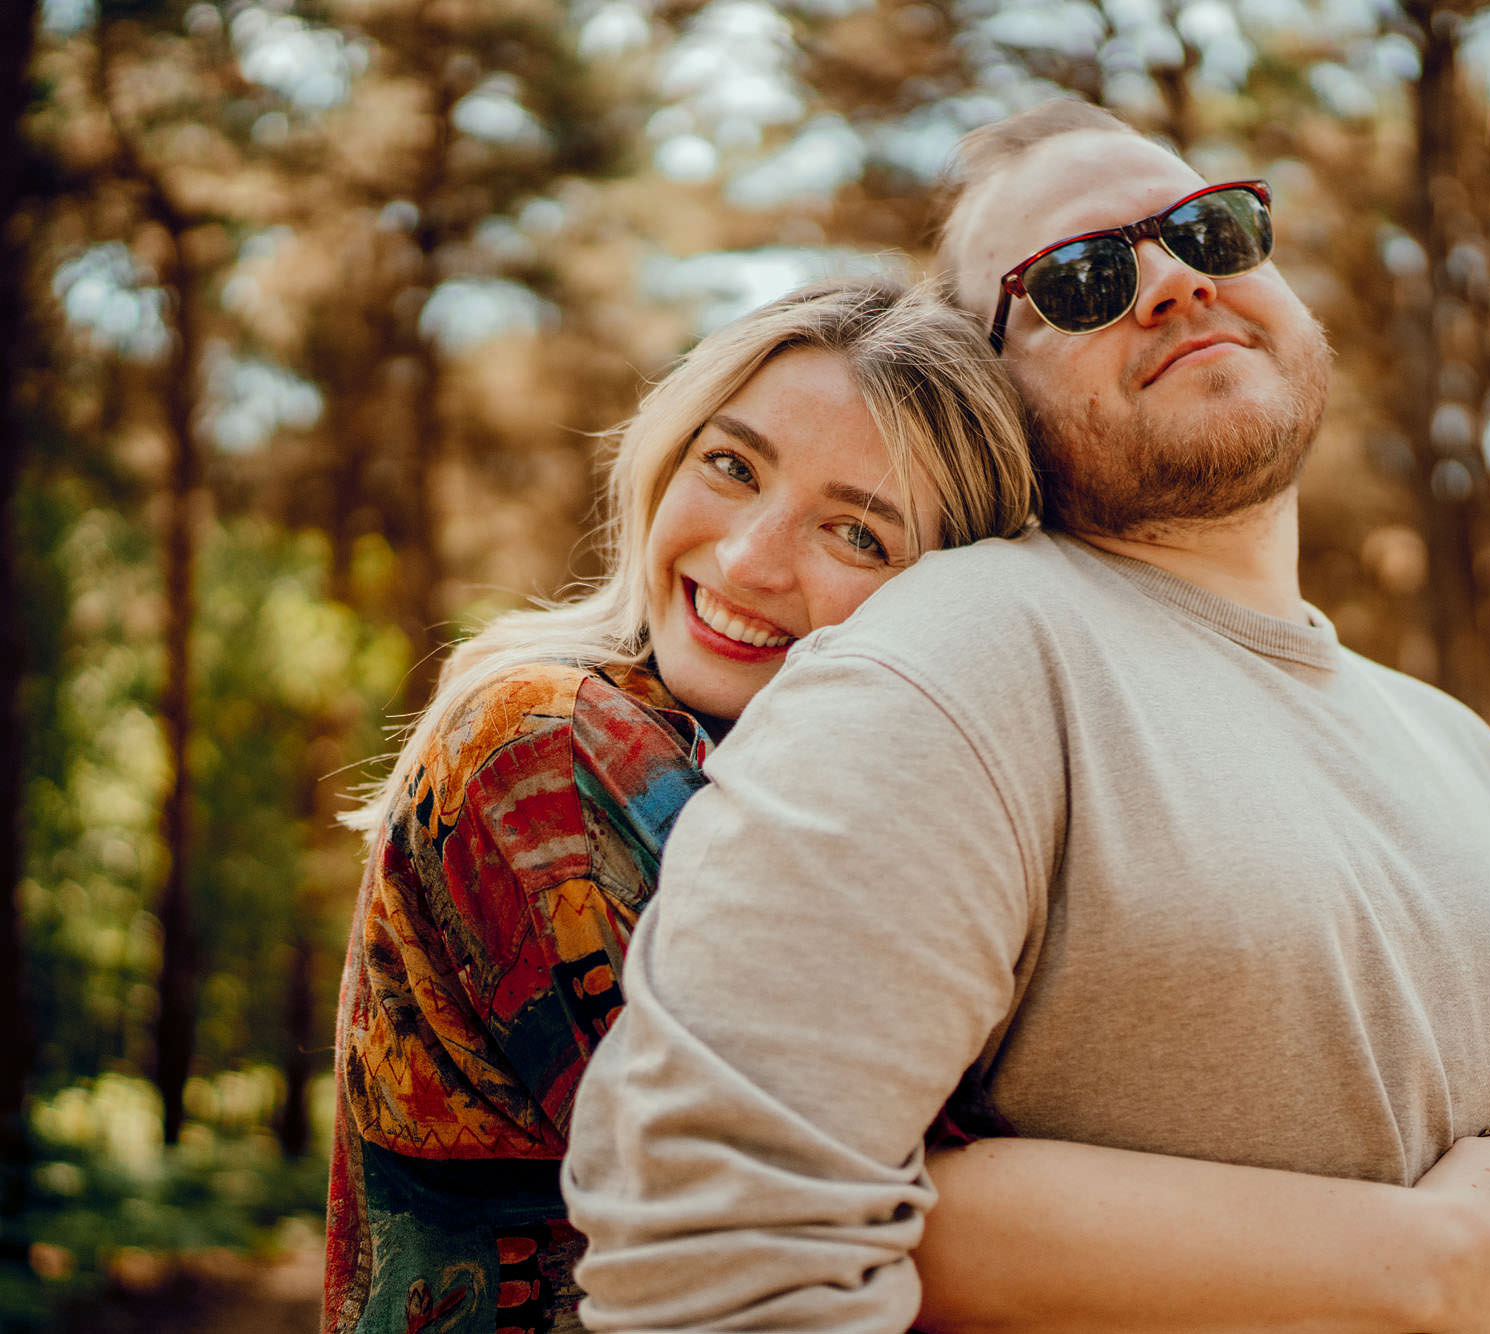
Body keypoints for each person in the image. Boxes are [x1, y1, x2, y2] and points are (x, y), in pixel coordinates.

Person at [562, 101, 1490, 1334]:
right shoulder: (961, 649)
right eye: (1078, 280)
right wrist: (1399, 1260)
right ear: (987, 393)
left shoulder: (1455, 744)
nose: (1174, 281)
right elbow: (721, 1239)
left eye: (1212, 227)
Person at [320, 279, 1038, 1334]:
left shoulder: (808, 792)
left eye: (855, 534)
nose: (746, 558)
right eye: (732, 465)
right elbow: (853, 1206)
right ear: (669, 452)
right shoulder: (548, 743)